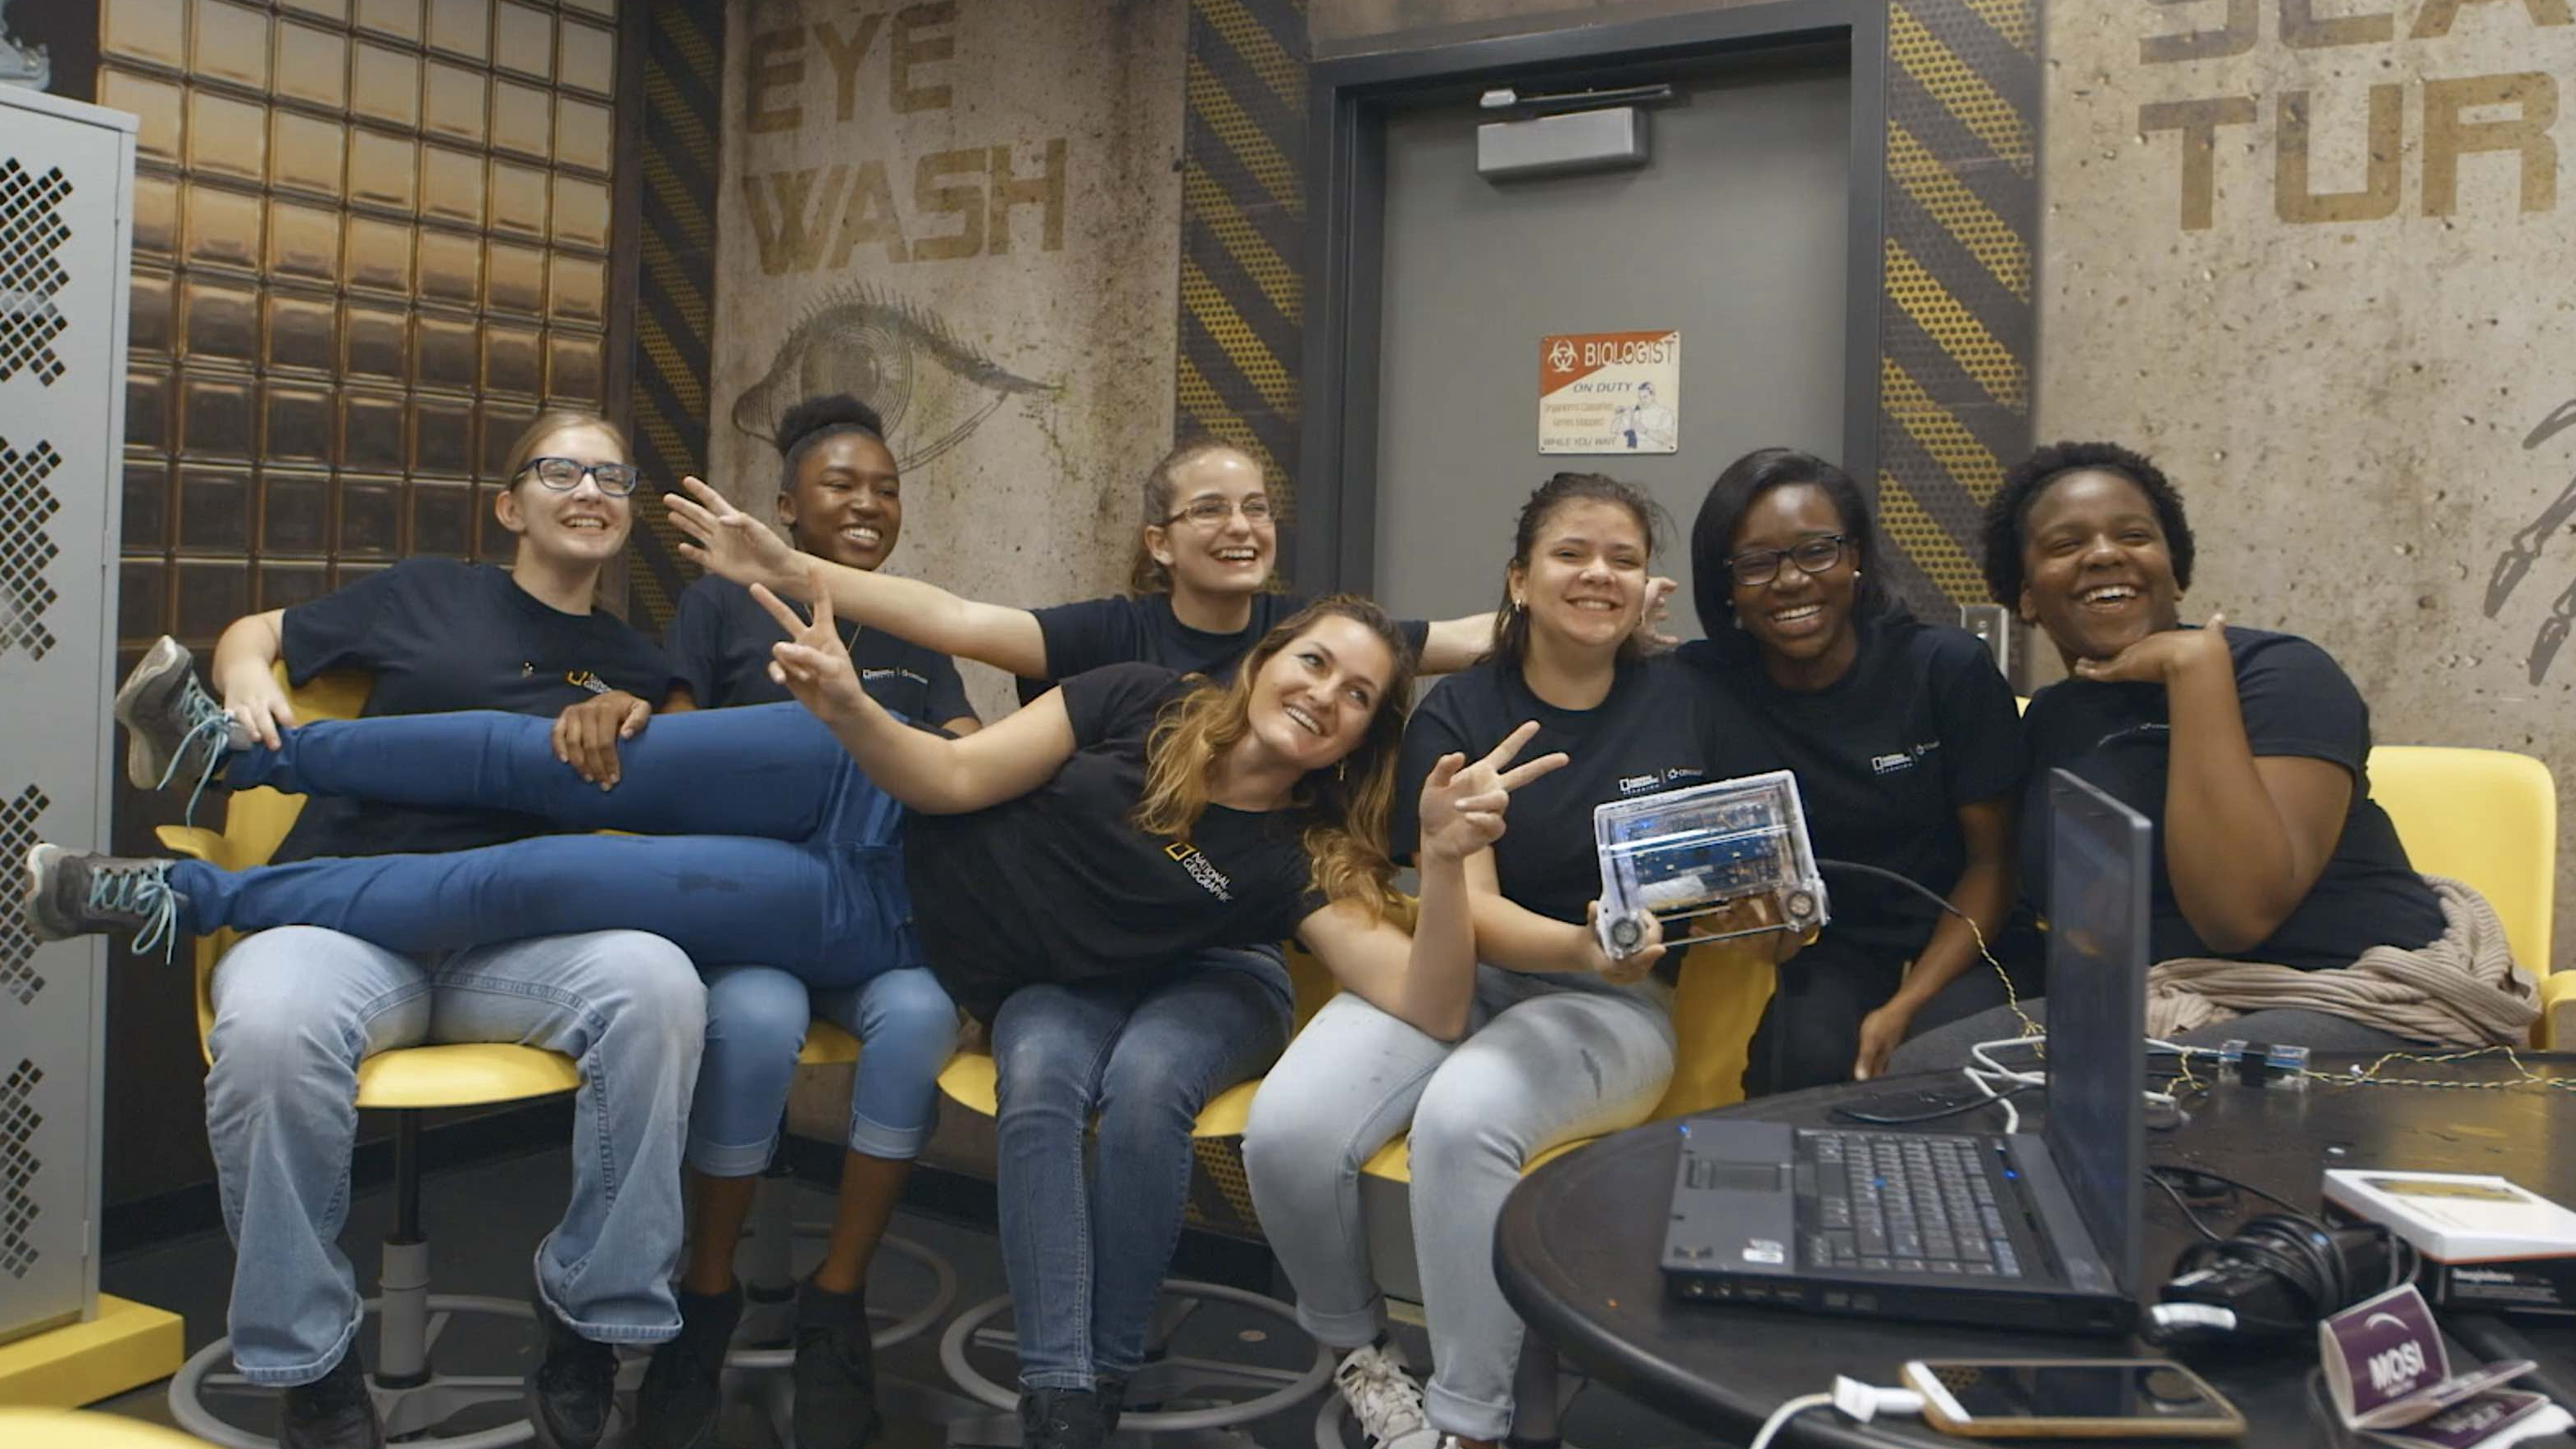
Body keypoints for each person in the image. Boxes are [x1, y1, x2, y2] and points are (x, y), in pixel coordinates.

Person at [30, 593, 1561, 1449]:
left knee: (550, 871)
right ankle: (233, 767)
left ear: (1364, 731)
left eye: (1359, 693)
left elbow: (1426, 995)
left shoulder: (1291, 861)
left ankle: (196, 908)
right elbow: (953, 779)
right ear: (1262, 658)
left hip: (880, 921)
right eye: (1313, 661)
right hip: (854, 784)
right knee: (556, 767)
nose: (1327, 696)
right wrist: (843, 704)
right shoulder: (1140, 695)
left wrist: (1438, 858)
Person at [89, 411, 706, 1449]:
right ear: (512, 506)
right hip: (343, 918)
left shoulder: (637, 664)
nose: (590, 488)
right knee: (271, 1023)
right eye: (561, 469)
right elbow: (263, 635)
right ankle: (313, 1366)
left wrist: (649, 723)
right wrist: (245, 675)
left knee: (661, 986)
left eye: (612, 474)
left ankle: (589, 1320)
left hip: (513, 944)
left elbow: (682, 799)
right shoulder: (427, 591)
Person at [1243, 474, 1744, 1449]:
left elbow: (1734, 849)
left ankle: (1471, 1423)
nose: (1596, 573)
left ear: (1648, 587)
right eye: (1570, 553)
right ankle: (1363, 1357)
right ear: (1517, 579)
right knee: (1289, 1129)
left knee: (1463, 1117)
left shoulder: (1692, 693)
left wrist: (1692, 920)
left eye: (1623, 559)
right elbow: (1469, 918)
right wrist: (1577, 939)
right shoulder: (1459, 715)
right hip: (1462, 970)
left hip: (1614, 1006)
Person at [1892, 443, 2534, 1072]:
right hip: (2165, 1002)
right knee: (1929, 1069)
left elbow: (2237, 915)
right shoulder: (2053, 720)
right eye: (2065, 545)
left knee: (2179, 1085)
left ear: (2174, 571)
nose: (2104, 554)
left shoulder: (2281, 674)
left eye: (2133, 536)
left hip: (2350, 988)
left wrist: (2192, 667)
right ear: (2024, 596)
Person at [644, 394, 980, 1449]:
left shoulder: (914, 619)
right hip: (755, 913)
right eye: (841, 485)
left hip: (881, 915)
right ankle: (705, 1299)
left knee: (923, 1018)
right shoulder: (719, 606)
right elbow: (676, 760)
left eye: (885, 488)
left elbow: (968, 754)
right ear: (786, 506)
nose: (868, 503)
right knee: (749, 1023)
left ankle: (836, 1302)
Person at [660, 437, 1672, 701]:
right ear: (1159, 541)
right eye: (1209, 511)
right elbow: (957, 617)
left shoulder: (1311, 636)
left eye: (1256, 509)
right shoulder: (1110, 631)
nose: (1240, 528)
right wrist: (794, 568)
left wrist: (1588, 600)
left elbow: (1460, 639)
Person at [1680, 447, 2025, 1092]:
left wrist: (1906, 1005)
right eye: (1756, 563)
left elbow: (1994, 866)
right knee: (1798, 1067)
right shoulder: (1708, 684)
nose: (1789, 581)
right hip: (1834, 945)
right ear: (1725, 584)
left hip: (1968, 937)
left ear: (1856, 556)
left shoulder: (1944, 669)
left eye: (1816, 550)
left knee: (1936, 1063)